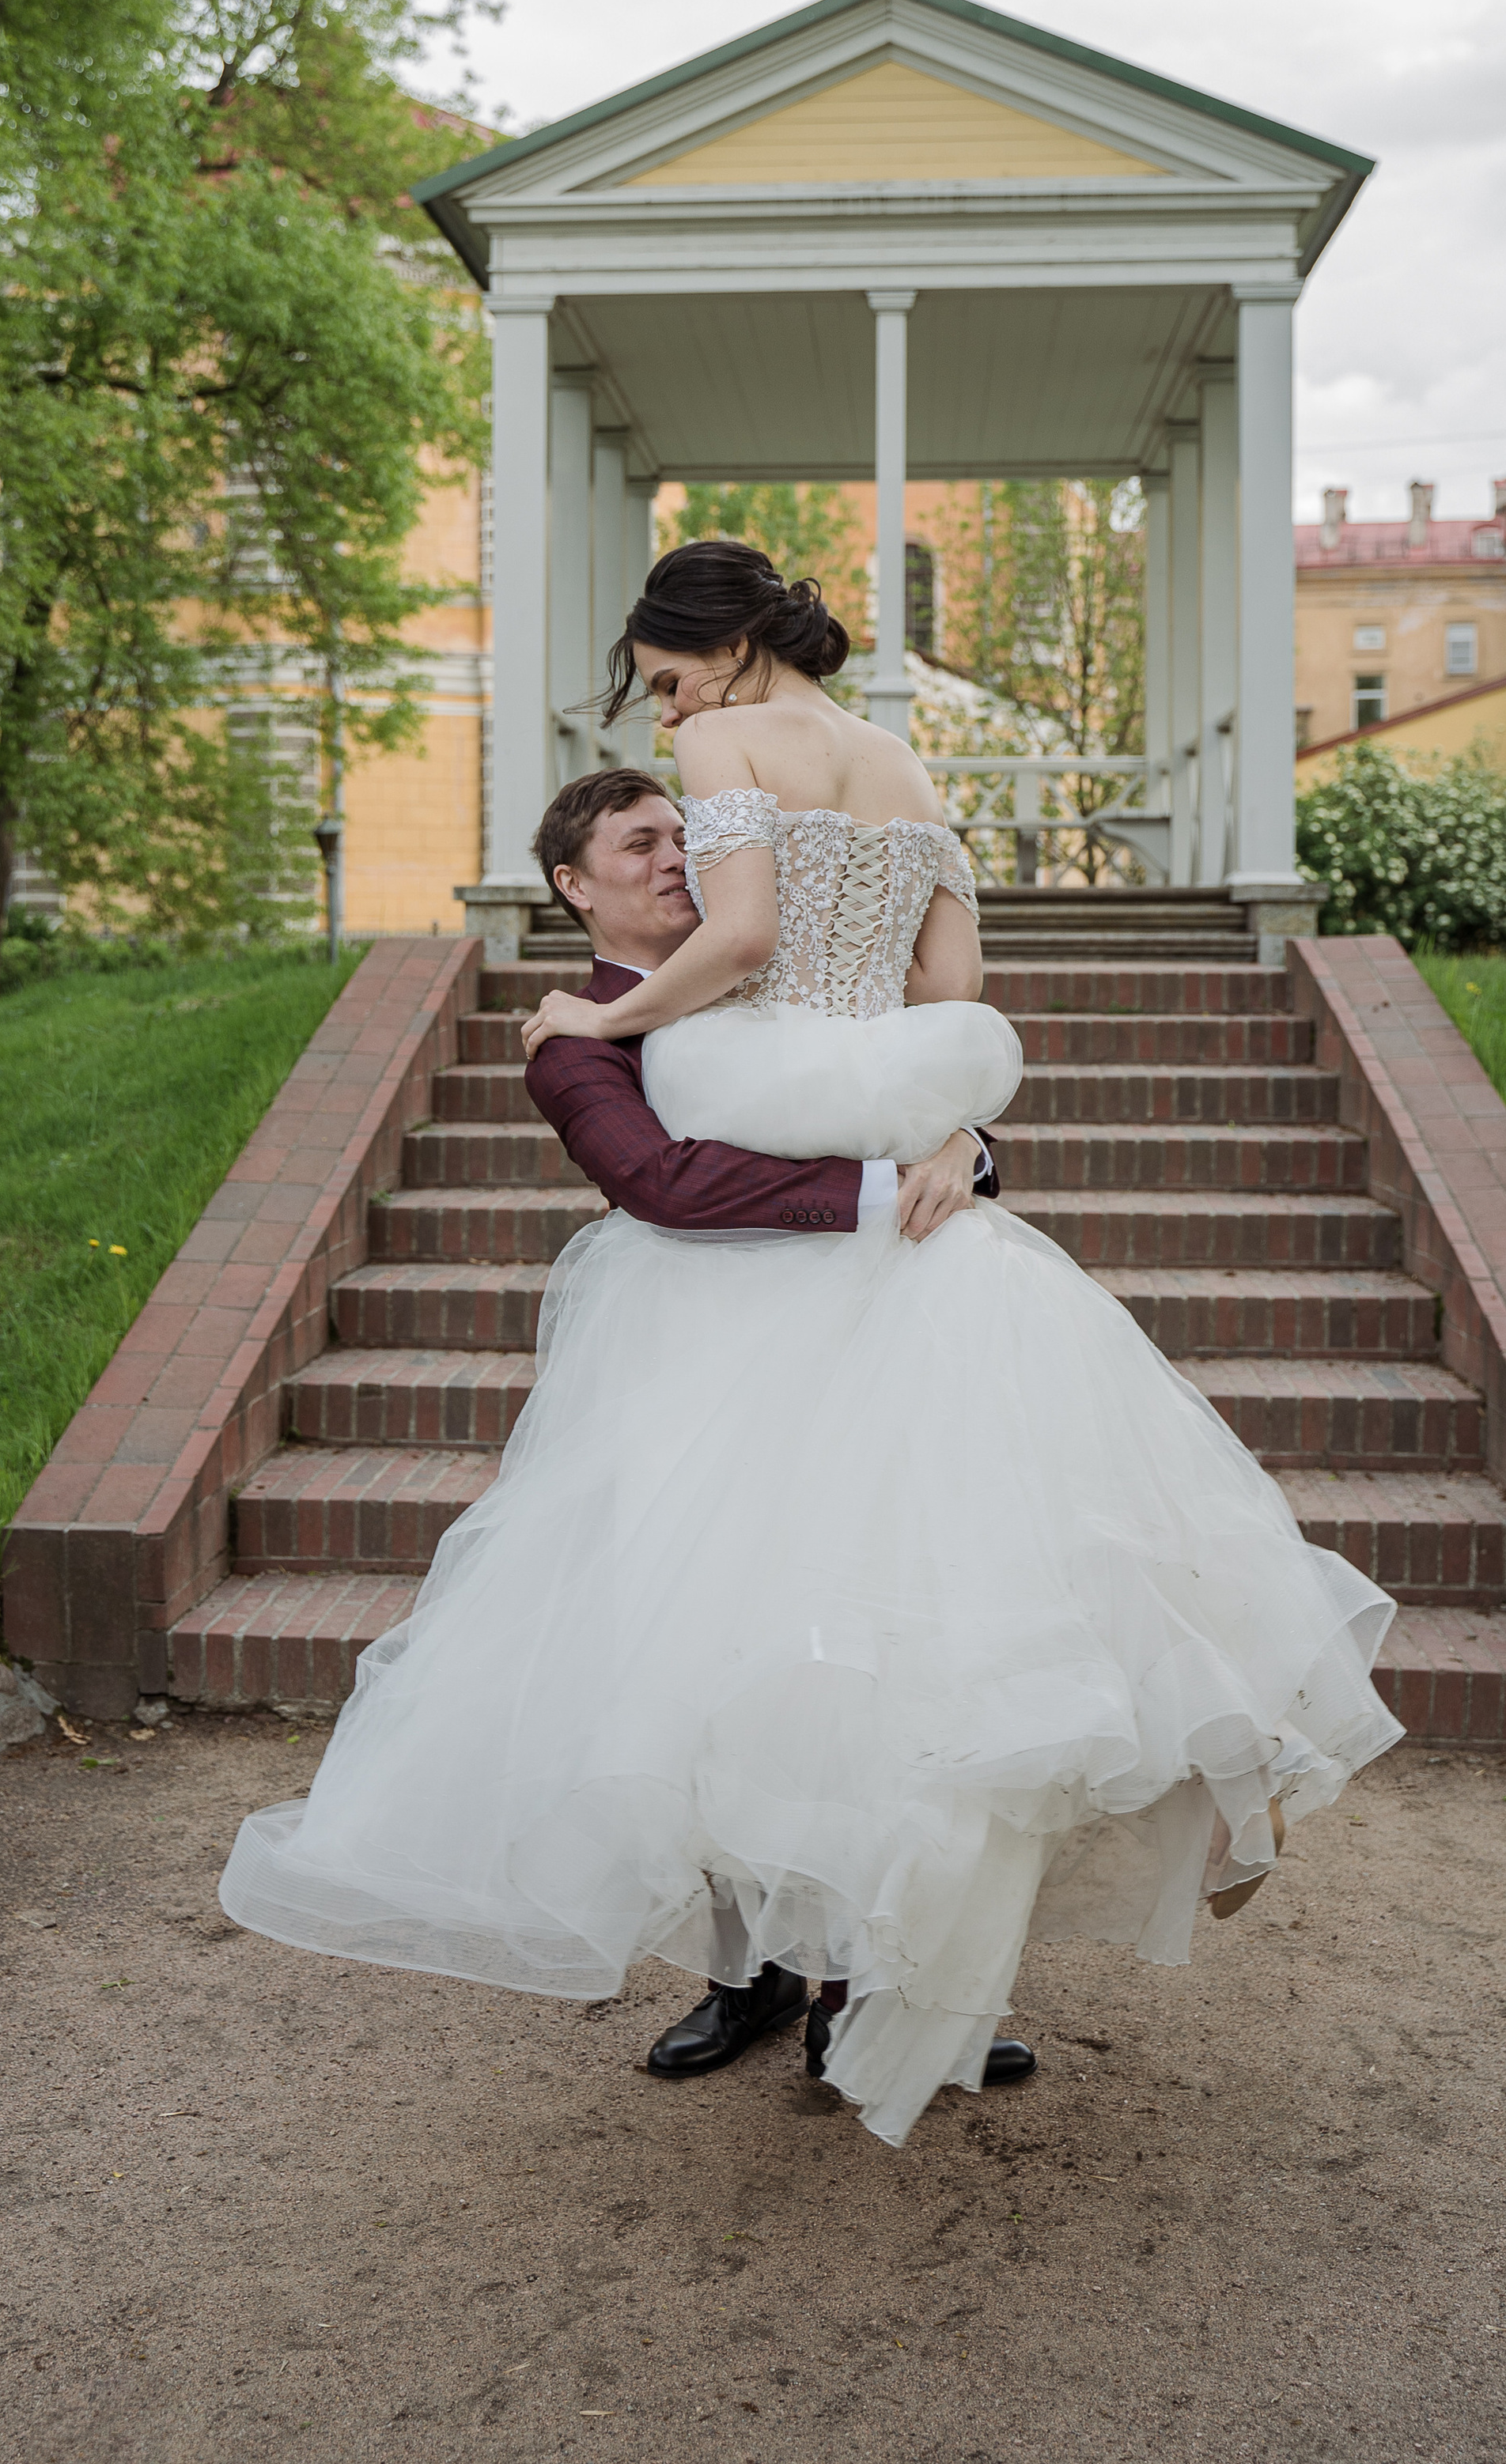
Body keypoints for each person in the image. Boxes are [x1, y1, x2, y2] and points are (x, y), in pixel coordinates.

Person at [219, 540, 1402, 2150]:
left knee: (873, 1630)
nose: (668, 721)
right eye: (643, 808)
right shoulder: (900, 762)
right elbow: (933, 1001)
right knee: (757, 1626)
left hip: (832, 1291)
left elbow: (749, 934)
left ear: (711, 645)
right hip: (802, 1285)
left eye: (662, 679)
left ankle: (899, 1968)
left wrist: (617, 1022)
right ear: (573, 886)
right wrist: (932, 1124)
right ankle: (754, 1966)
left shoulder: (716, 775)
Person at [513, 760, 1029, 2090]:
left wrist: (959, 1152)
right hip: (691, 1373)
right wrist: (876, 1189)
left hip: (853, 1359)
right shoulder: (580, 1032)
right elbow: (657, 1180)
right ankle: (744, 1975)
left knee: (852, 1651)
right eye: (641, 845)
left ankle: (869, 1986)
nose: (677, 858)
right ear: (574, 886)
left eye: (685, 835)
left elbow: (901, 1090)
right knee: (711, 1656)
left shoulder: (773, 982)